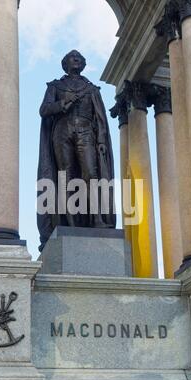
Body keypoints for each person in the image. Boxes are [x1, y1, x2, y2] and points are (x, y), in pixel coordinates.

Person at [37, 50, 116, 251]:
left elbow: (100, 119)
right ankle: (69, 224)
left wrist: (101, 140)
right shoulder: (56, 86)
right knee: (66, 177)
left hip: (86, 131)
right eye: (73, 57)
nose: (77, 59)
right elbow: (44, 110)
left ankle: (97, 219)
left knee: (91, 174)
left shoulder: (91, 90)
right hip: (62, 131)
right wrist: (63, 103)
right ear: (65, 63)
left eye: (80, 58)